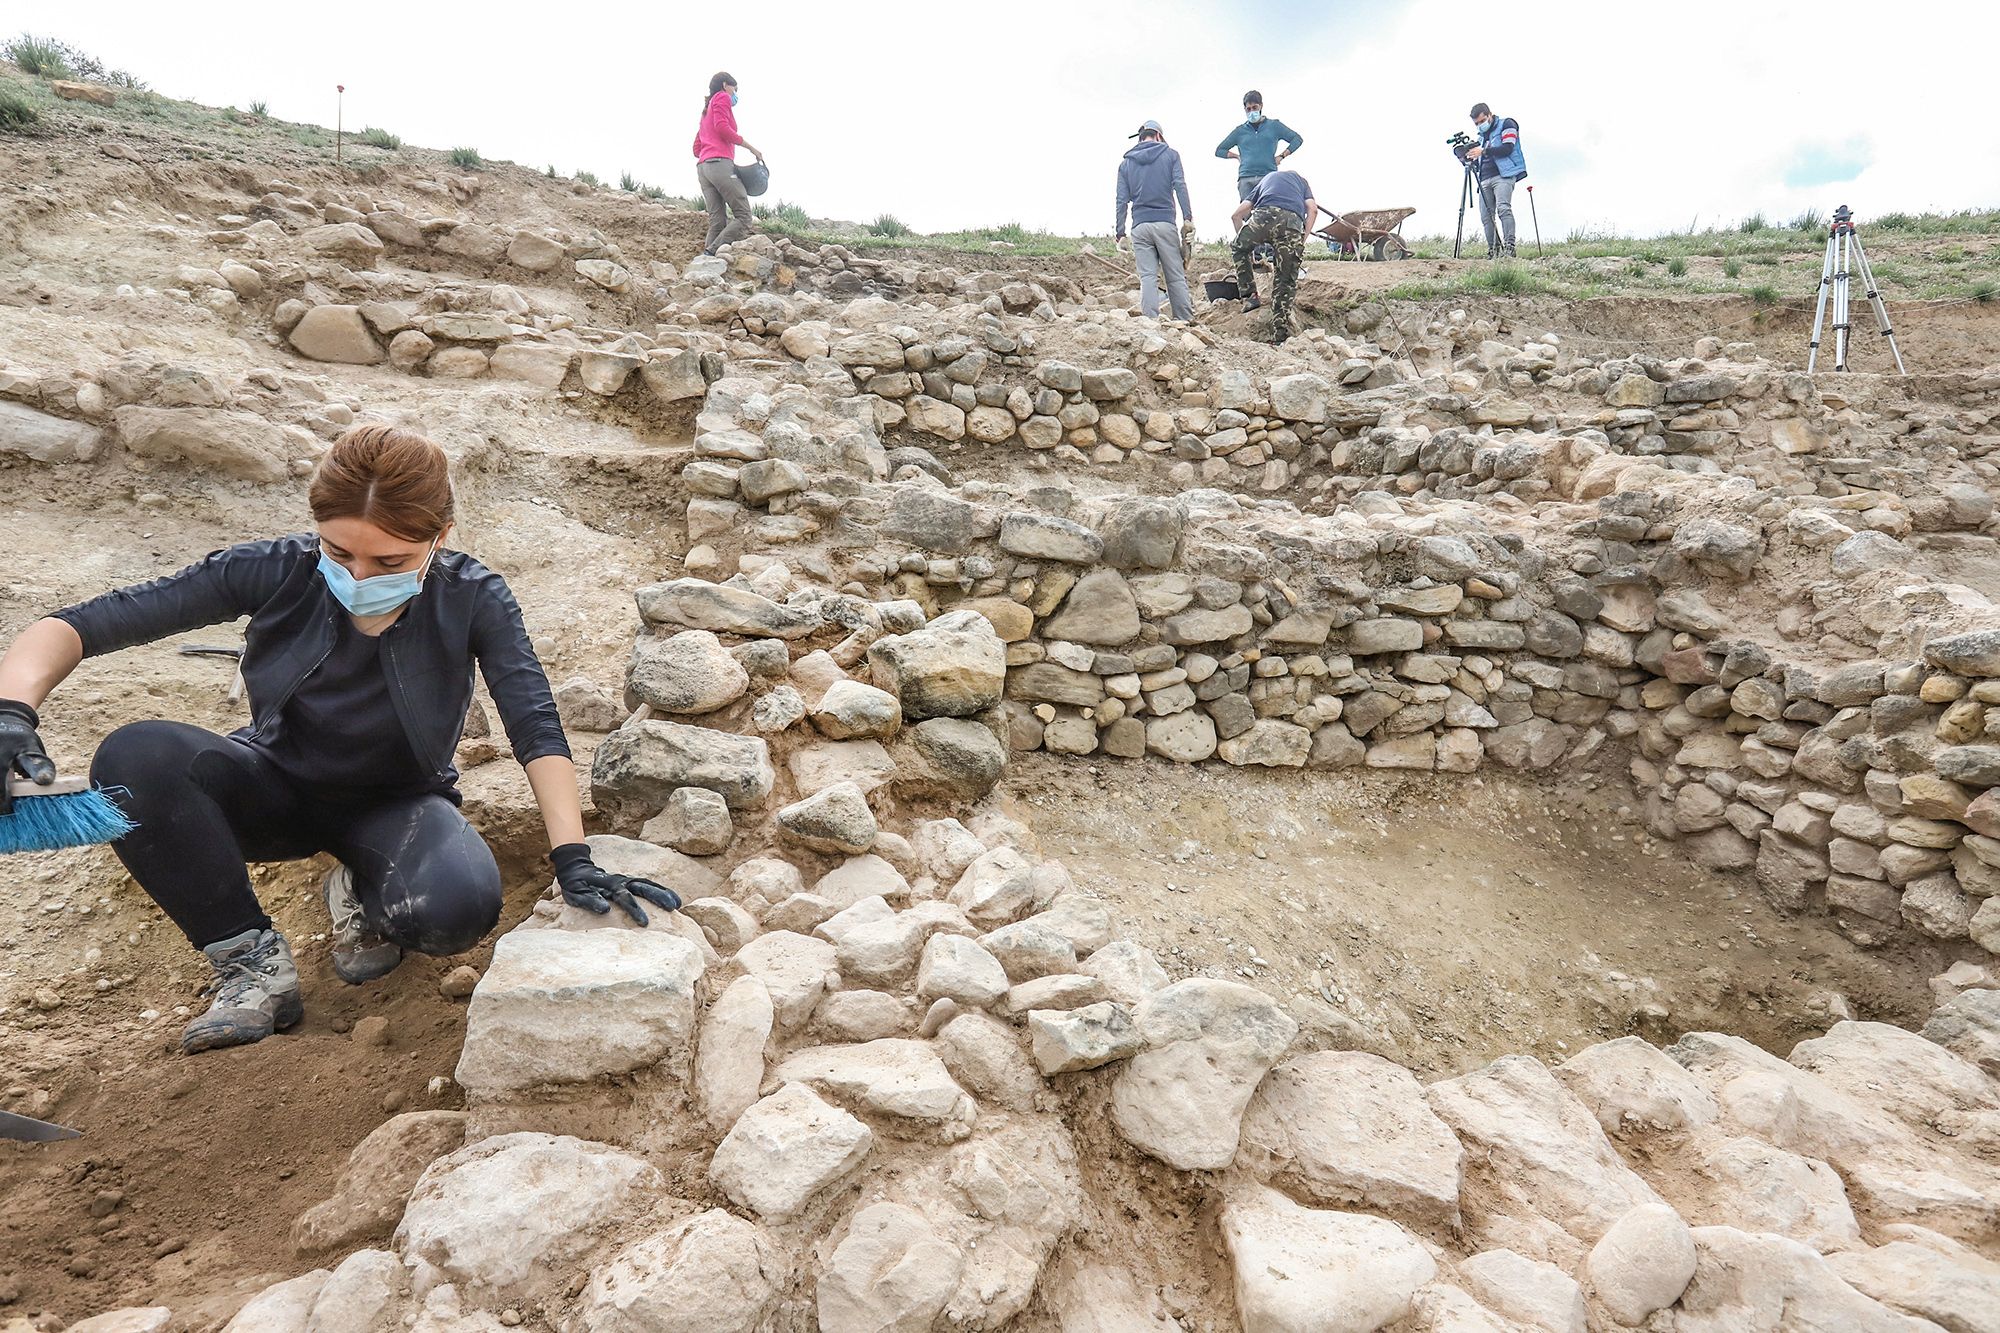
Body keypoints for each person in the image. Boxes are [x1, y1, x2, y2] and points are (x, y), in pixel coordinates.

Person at [0, 426, 681, 1056]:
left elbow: (534, 723)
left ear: (440, 536)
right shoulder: (274, 570)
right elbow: (83, 625)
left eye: (390, 559)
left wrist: (572, 857)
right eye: (338, 551)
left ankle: (362, 885)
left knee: (456, 910)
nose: (358, 577)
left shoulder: (475, 597)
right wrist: (11, 712)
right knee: (134, 755)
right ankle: (250, 963)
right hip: (268, 784)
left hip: (396, 804)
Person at [1114, 120, 1194, 323]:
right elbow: (1180, 186)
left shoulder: (1126, 164)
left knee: (1148, 277)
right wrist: (1188, 218)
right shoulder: (1171, 155)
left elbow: (1121, 200)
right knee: (1175, 276)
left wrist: (1120, 233)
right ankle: (1184, 321)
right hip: (1165, 223)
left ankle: (1150, 323)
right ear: (1158, 136)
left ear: (1140, 138)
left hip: (1140, 227)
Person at [1230, 168, 1316, 343]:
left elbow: (1236, 215)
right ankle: (1278, 337)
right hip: (1291, 222)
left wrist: (1249, 249)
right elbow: (1312, 210)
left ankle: (1250, 296)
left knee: (1238, 248)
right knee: (1285, 279)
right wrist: (1302, 239)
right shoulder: (1302, 181)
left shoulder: (1266, 180)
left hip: (1263, 217)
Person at [692, 70, 765, 255]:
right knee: (744, 216)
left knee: (717, 221)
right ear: (726, 84)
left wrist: (709, 152)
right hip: (719, 165)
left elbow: (696, 148)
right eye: (735, 89)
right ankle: (711, 254)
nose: (735, 95)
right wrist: (751, 148)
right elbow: (722, 128)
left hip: (703, 168)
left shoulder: (706, 110)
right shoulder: (722, 97)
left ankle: (704, 264)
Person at [1214, 90, 1304, 206]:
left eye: (1254, 107)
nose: (1252, 111)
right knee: (1247, 215)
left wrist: (1282, 156)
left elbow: (1297, 139)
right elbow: (1219, 150)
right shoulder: (1240, 131)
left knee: (1269, 211)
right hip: (1246, 178)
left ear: (1261, 106)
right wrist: (1236, 156)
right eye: (1248, 109)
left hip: (1268, 176)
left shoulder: (1274, 126)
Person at [1465, 102, 1527, 259]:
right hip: (1484, 177)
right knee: (1486, 217)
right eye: (1477, 123)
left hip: (1503, 175)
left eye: (1482, 121)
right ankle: (1494, 250)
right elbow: (1480, 157)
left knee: (1503, 209)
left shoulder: (1507, 124)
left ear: (1489, 115)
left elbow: (1508, 148)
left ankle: (1509, 247)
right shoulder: (1480, 137)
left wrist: (1484, 151)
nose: (1480, 125)